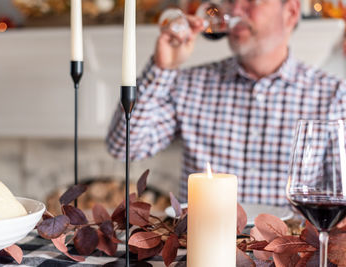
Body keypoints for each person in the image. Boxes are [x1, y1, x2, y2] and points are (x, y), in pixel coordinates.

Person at [106, 0, 346, 206]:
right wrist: (162, 68)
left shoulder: (333, 95)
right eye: (231, 1)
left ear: (291, 12)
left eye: (251, 1)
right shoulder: (190, 84)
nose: (236, 10)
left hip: (287, 255)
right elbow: (124, 147)